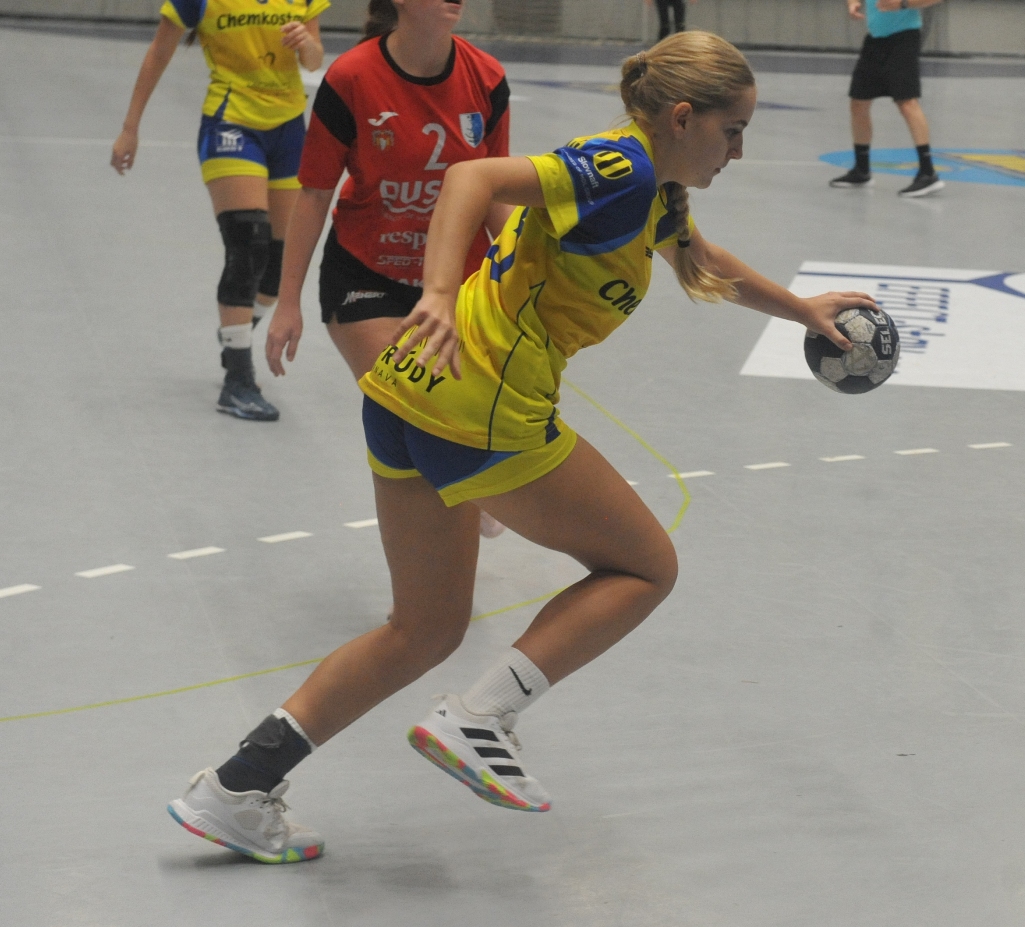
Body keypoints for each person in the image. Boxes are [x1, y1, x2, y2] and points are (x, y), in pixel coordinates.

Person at [166, 30, 876, 864]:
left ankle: (236, 787)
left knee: (423, 628)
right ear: (683, 117)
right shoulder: (621, 168)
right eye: (734, 131)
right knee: (646, 566)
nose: (741, 151)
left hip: (406, 392)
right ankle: (480, 717)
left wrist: (801, 310)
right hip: (483, 406)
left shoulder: (652, 188)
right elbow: (470, 178)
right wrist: (436, 290)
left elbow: (702, 258)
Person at [265, 0, 513, 538]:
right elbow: (314, 194)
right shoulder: (352, 77)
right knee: (420, 404)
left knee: (449, 424)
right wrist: (288, 301)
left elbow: (495, 191)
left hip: (457, 283)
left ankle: (457, 527)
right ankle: (435, 569)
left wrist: (525, 275)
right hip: (365, 275)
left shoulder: (487, 78)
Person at [112, 0, 327, 421]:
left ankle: (235, 332)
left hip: (288, 130)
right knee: (248, 243)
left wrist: (306, 43)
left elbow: (315, 60)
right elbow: (158, 52)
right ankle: (238, 380)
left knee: (278, 265)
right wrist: (129, 127)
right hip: (232, 123)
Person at [829, 0, 944, 198]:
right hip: (875, 39)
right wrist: (853, 2)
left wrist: (903, 3)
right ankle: (862, 170)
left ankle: (928, 172)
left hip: (904, 38)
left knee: (907, 102)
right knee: (859, 101)